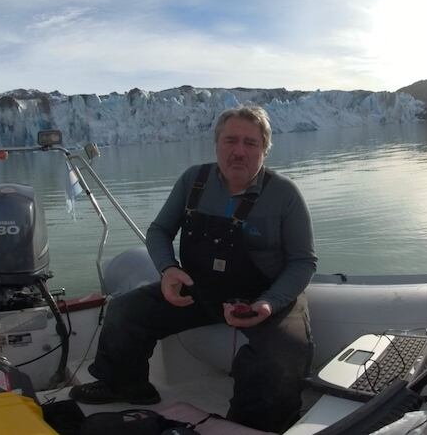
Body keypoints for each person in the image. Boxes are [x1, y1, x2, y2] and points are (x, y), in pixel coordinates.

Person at [69, 104, 316, 433]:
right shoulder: (194, 181)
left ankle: (252, 424)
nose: (239, 151)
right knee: (125, 310)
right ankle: (123, 384)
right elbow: (159, 232)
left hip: (266, 296)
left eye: (250, 143)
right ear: (216, 144)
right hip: (200, 289)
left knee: (282, 356)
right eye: (230, 141)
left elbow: (303, 262)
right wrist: (168, 270)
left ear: (265, 149)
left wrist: (269, 302)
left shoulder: (284, 194)